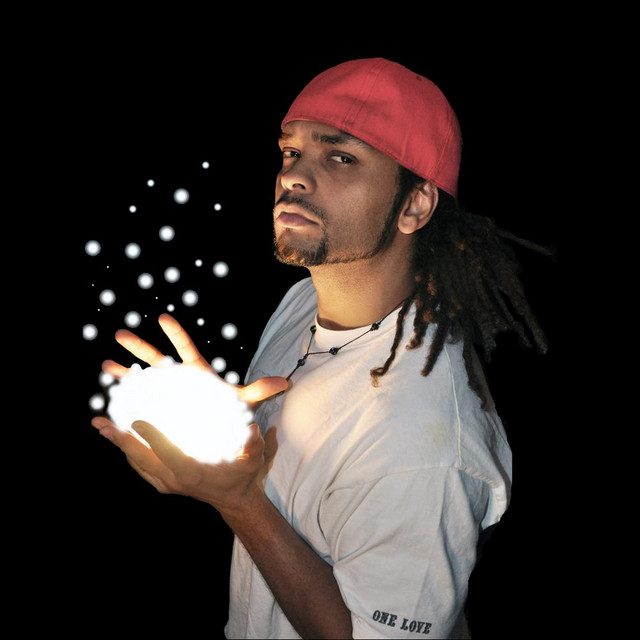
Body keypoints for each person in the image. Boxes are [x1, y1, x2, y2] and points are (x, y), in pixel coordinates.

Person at [91, 58, 549, 638]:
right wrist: (219, 421)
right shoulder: (305, 300)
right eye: (291, 151)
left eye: (341, 157)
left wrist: (238, 502)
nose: (294, 177)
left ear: (414, 205)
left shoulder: (423, 443)